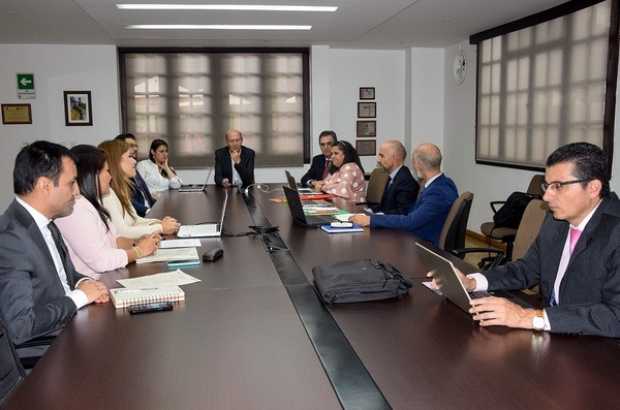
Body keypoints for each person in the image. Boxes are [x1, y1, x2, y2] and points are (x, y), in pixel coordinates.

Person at [433, 142, 620, 337]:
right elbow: (527, 269)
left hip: (599, 347)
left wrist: (527, 317)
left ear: (593, 188)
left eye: (558, 186)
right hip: (557, 334)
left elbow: (615, 316)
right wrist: (473, 282)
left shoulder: (615, 231)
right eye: (546, 186)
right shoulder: (557, 220)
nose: (546, 196)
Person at [0, 141, 109, 346]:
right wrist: (78, 297)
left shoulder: (46, 222)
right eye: (71, 183)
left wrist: (83, 283)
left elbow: (66, 276)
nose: (77, 191)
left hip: (71, 328)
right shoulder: (9, 239)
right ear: (45, 186)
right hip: (46, 351)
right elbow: (21, 327)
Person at [55, 145, 159, 279]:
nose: (111, 177)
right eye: (107, 171)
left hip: (108, 278)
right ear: (92, 175)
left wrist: (138, 242)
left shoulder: (93, 203)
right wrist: (139, 251)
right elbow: (101, 261)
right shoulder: (76, 208)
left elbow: (115, 239)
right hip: (96, 284)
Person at [350, 143, 457, 246]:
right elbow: (410, 214)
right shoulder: (444, 183)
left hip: (424, 246)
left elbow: (411, 221)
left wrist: (371, 220)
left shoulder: (437, 192)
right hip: (418, 237)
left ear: (418, 164)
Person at [99, 140, 180, 240]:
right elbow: (121, 232)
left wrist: (159, 222)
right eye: (130, 156)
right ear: (115, 162)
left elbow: (135, 220)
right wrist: (161, 228)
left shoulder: (120, 190)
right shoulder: (108, 194)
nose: (135, 161)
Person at [371, 140, 419, 214]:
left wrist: (375, 217)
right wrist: (369, 212)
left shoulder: (406, 181)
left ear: (395, 157)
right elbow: (385, 205)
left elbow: (402, 212)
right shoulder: (393, 176)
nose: (378, 160)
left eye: (382, 156)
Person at [115, 133, 156, 217]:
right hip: (140, 216)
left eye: (136, 145)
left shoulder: (134, 168)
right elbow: (129, 202)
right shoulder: (116, 174)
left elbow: (147, 196)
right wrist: (149, 211)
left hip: (150, 213)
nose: (136, 148)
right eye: (131, 145)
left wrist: (158, 206)